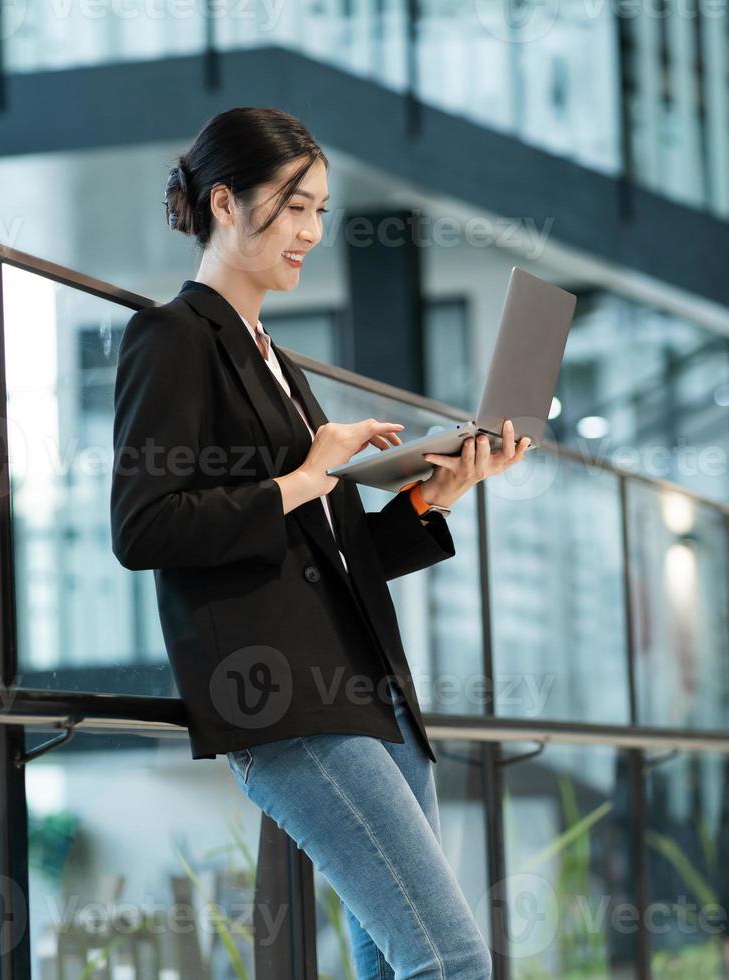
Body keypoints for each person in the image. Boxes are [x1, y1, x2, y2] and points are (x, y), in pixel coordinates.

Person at [110, 106, 530, 980]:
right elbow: (143, 526)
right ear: (225, 203)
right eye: (293, 206)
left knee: (398, 964)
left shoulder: (279, 362)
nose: (310, 232)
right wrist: (304, 476)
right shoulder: (174, 337)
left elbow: (329, 559)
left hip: (369, 695)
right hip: (285, 703)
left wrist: (430, 498)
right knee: (450, 961)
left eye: (321, 212)